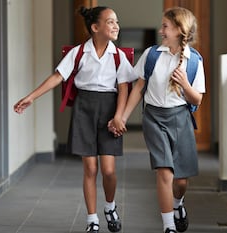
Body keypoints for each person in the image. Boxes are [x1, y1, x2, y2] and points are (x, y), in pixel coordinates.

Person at [14, 6, 136, 233]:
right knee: (90, 168)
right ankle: (92, 219)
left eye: (117, 21)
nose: (116, 26)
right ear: (95, 27)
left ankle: (109, 207)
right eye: (110, 22)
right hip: (84, 110)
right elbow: (57, 77)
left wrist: (119, 116)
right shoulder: (79, 53)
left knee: (108, 170)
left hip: (110, 110)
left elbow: (124, 88)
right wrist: (31, 97)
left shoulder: (118, 56)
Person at [109, 7, 205, 233]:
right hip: (153, 118)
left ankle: (178, 205)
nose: (161, 30)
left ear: (179, 30)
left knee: (180, 181)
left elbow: (197, 100)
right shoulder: (152, 54)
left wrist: (185, 84)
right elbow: (138, 88)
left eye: (165, 26)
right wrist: (121, 117)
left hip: (181, 118)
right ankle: (168, 226)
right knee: (164, 171)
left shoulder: (194, 61)